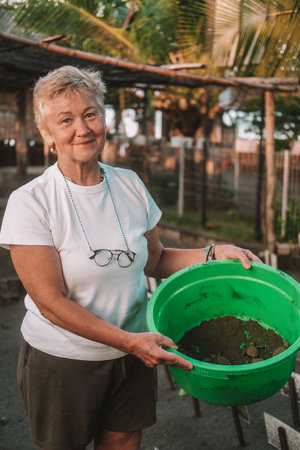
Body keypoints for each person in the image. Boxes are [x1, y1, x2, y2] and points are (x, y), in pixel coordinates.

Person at [0, 65, 261, 450]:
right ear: (47, 134)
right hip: (65, 360)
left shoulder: (129, 183)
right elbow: (50, 303)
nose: (82, 129)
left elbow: (154, 260)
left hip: (136, 352)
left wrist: (212, 252)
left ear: (103, 118)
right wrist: (129, 342)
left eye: (90, 114)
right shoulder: (31, 202)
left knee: (123, 441)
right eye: (66, 120)